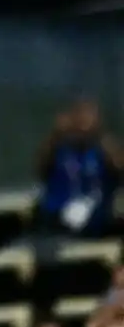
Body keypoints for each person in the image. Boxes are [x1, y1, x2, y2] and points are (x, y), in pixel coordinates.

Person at [36, 100, 119, 238]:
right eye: (78, 117)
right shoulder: (60, 150)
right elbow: (40, 169)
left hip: (96, 218)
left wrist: (100, 135)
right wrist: (55, 135)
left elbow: (118, 166)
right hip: (59, 217)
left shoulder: (102, 150)